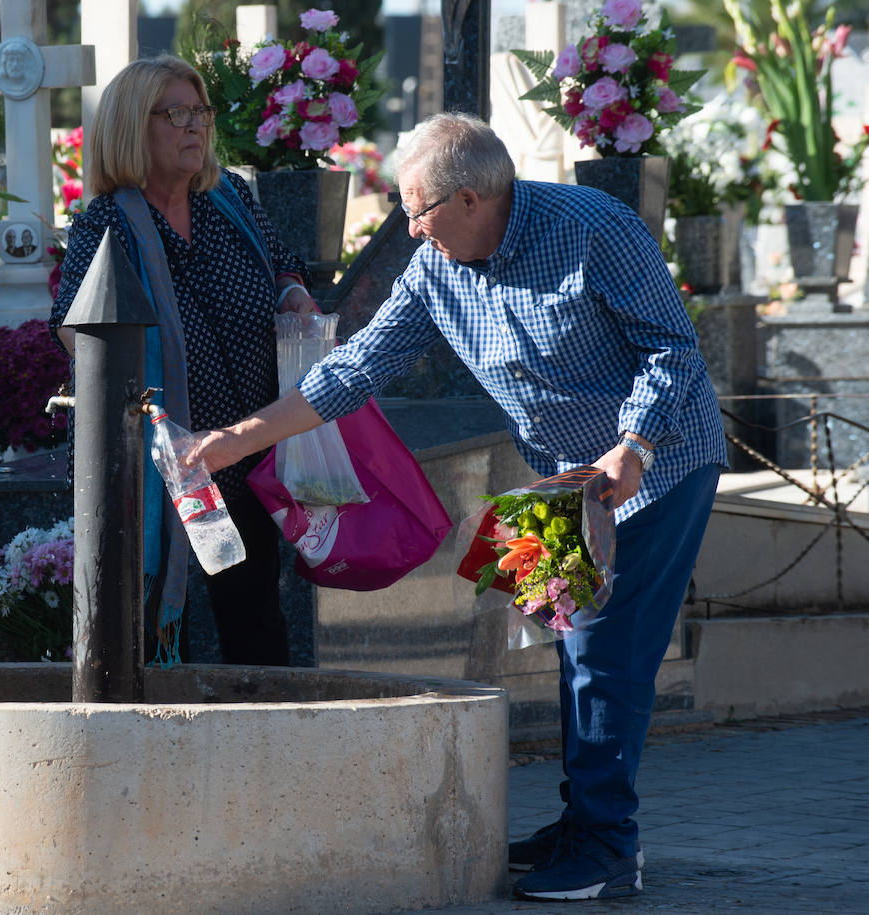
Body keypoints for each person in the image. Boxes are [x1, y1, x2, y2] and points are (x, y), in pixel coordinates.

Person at [186, 112, 728, 901]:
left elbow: (673, 349)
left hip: (658, 463)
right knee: (572, 647)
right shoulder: (437, 264)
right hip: (562, 481)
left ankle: (609, 843)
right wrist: (238, 439)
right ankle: (585, 821)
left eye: (418, 211)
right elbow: (355, 368)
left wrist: (634, 445)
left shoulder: (592, 228)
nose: (409, 228)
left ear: (472, 200)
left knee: (608, 651)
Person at [50, 55, 317, 666]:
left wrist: (294, 293)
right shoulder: (105, 225)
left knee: (256, 622)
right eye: (175, 113)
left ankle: (263, 753)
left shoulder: (228, 199)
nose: (194, 126)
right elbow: (73, 330)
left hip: (243, 446)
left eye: (200, 112)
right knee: (157, 630)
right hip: (164, 465)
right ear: (130, 127)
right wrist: (152, 390)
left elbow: (283, 262)